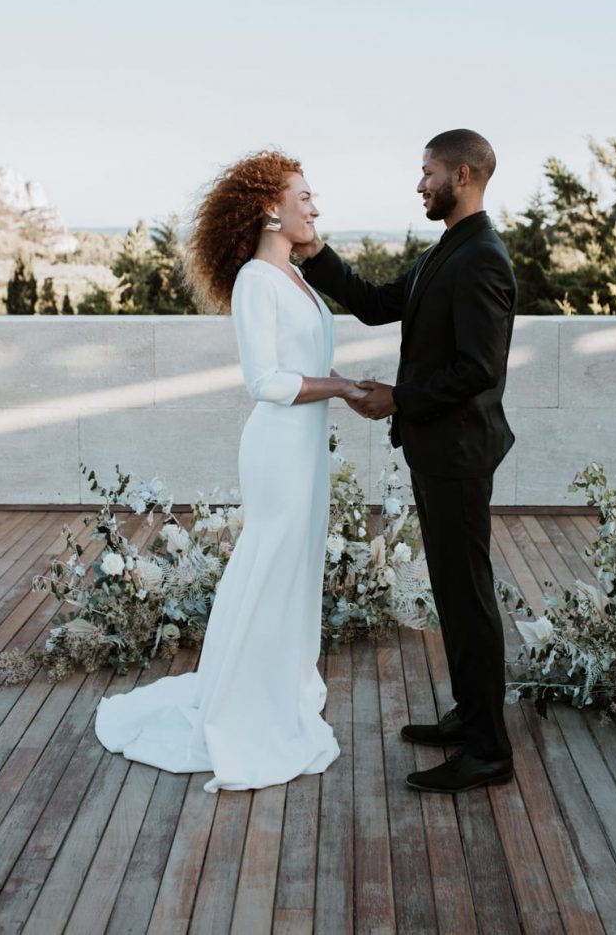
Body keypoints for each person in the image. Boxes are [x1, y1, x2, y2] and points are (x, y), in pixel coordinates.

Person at [94, 150, 366, 791]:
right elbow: (264, 381)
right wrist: (342, 386)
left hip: (306, 446)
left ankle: (280, 681)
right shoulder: (254, 280)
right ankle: (242, 702)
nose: (315, 205)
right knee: (266, 560)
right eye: (304, 196)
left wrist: (337, 387)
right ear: (270, 208)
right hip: (277, 448)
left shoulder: (297, 277)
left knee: (295, 562)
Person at [295, 129, 517, 793]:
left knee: (469, 596)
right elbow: (376, 302)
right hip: (436, 449)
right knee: (453, 591)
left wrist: (397, 398)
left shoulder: (483, 257)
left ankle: (488, 750)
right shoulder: (448, 247)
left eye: (429, 172)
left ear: (466, 173)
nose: (419, 183)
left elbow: (478, 368)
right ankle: (471, 715)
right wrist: (312, 254)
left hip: (458, 453)